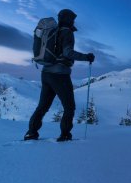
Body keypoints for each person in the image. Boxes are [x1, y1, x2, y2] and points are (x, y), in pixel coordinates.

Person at [24, 9, 95, 142]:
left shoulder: (54, 32)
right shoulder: (66, 32)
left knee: (42, 106)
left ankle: (31, 133)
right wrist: (86, 57)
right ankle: (65, 135)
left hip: (46, 73)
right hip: (60, 75)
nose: (74, 21)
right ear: (68, 19)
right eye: (72, 18)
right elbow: (68, 53)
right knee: (69, 107)